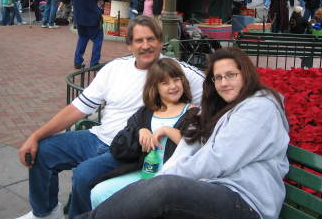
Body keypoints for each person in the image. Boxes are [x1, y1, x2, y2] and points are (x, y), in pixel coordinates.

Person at [14, 15, 204, 219]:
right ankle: (45, 213)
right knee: (44, 151)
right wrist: (36, 136)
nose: (146, 45)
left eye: (151, 39)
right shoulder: (115, 68)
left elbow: (218, 92)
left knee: (84, 175)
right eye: (139, 40)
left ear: (160, 42)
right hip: (97, 137)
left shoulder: (177, 71)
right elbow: (78, 107)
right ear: (129, 45)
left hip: (129, 149)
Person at [76, 47, 289, 219]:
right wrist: (160, 177)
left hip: (246, 202)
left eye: (231, 75)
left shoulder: (259, 108)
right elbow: (187, 147)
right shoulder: (218, 109)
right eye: (218, 78)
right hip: (214, 190)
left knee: (165, 189)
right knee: (156, 188)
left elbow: (218, 160)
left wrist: (160, 181)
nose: (224, 83)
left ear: (246, 74)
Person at [90, 58, 194, 208]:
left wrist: (166, 130)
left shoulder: (191, 111)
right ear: (155, 88)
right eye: (165, 83)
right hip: (144, 172)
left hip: (170, 177)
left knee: (142, 203)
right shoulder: (146, 112)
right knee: (99, 192)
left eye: (176, 80)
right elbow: (123, 140)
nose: (173, 86)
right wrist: (141, 130)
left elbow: (194, 144)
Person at [70, 0, 109, 69]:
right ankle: (94, 63)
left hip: (79, 16)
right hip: (92, 16)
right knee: (97, 38)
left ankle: (78, 61)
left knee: (82, 38)